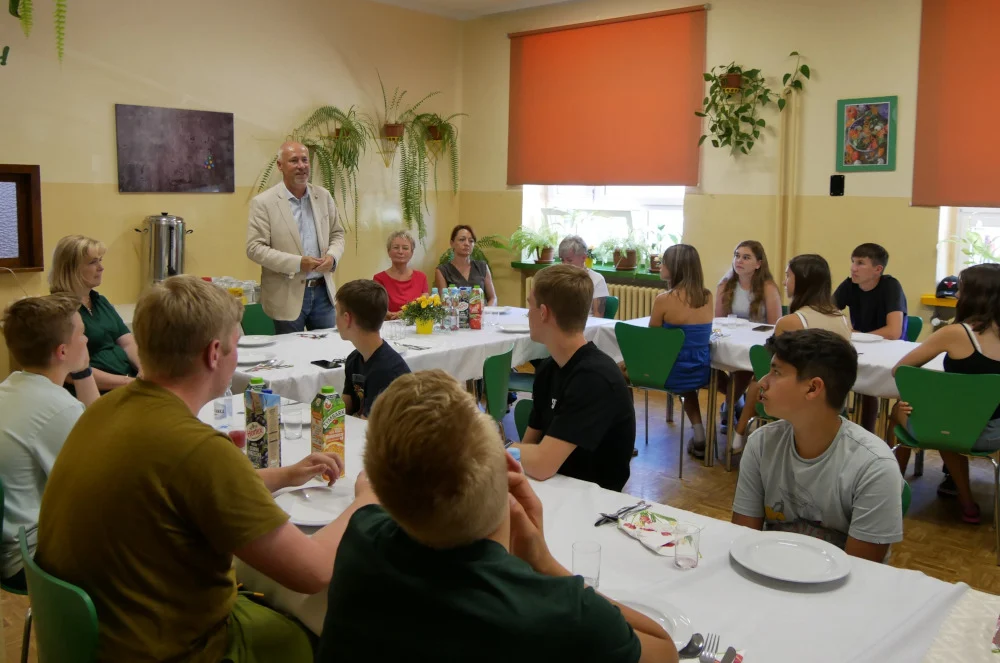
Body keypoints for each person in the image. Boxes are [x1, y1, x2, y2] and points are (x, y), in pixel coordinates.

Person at [37, 275, 376, 662]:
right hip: (172, 650)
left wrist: (284, 475)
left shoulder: (104, 410)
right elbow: (313, 572)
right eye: (236, 346)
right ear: (215, 353)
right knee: (322, 635)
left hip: (89, 638)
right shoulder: (198, 449)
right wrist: (366, 500)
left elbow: (180, 489)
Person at [316, 370, 679, 663]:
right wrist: (545, 564)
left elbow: (369, 502)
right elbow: (665, 650)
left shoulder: (362, 538)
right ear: (509, 465)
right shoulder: (564, 613)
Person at [731, 330, 903, 563]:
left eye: (776, 372)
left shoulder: (874, 466)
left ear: (813, 388)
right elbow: (743, 542)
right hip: (770, 569)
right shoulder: (760, 444)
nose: (763, 382)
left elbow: (861, 572)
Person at [0, 294, 99, 590]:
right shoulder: (59, 409)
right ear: (62, 351)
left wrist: (82, 370)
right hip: (29, 558)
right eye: (82, 334)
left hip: (10, 547)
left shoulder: (10, 388)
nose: (87, 340)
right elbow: (96, 488)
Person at [890, 263, 1000, 524]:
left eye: (961, 289)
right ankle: (967, 503)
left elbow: (900, 371)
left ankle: (893, 492)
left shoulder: (954, 333)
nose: (957, 295)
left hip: (954, 429)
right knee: (950, 428)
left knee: (900, 410)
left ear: (975, 295)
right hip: (994, 434)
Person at [512, 265, 636, 491]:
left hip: (592, 500)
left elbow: (541, 464)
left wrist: (486, 447)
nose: (527, 314)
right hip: (553, 487)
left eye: (529, 306)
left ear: (543, 312)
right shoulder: (549, 369)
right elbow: (527, 446)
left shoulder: (594, 378)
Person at [730, 254, 852, 452]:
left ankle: (739, 436)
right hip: (833, 401)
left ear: (802, 281)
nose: (784, 282)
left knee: (757, 380)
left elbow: (776, 367)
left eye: (788, 276)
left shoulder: (791, 322)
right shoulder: (843, 319)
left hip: (798, 398)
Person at [247, 140, 346, 333]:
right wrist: (298, 263)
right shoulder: (264, 203)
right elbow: (254, 248)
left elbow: (337, 234)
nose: (301, 166)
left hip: (323, 292)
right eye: (294, 161)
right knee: (291, 350)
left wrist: (333, 257)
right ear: (280, 165)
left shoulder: (323, 196)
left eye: (304, 160)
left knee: (328, 350)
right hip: (286, 295)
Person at [49, 234, 141, 391]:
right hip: (96, 391)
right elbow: (70, 371)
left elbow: (127, 341)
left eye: (100, 260)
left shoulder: (100, 301)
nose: (101, 267)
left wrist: (144, 369)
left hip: (129, 381)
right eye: (93, 262)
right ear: (71, 269)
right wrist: (128, 382)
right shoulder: (58, 311)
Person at [834, 242, 908, 433]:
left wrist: (856, 334)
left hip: (889, 351)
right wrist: (845, 326)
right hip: (861, 347)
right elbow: (827, 312)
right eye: (852, 262)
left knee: (870, 386)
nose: (853, 268)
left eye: (860, 263)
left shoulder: (891, 286)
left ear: (878, 269)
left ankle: (871, 432)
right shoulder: (850, 285)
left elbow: (894, 331)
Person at [648, 244, 713, 458]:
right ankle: (700, 433)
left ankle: (625, 435)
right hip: (699, 369)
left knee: (619, 372)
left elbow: (653, 340)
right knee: (687, 383)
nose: (660, 265)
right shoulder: (707, 296)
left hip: (671, 371)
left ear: (676, 268)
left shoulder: (664, 300)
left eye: (664, 262)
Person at [335, 279, 411, 419]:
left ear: (347, 319)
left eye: (337, 311)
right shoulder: (354, 359)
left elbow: (368, 427)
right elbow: (343, 409)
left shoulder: (386, 371)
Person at [716, 240, 782, 324]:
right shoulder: (724, 284)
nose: (739, 261)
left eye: (746, 257)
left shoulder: (768, 288)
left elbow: (775, 326)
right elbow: (719, 322)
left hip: (760, 332)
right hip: (732, 331)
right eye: (737, 256)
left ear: (758, 264)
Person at [434, 225, 498, 305]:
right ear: (452, 243)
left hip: (481, 312)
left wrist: (487, 311)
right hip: (455, 312)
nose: (467, 244)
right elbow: (444, 303)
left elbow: (493, 298)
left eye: (471, 241)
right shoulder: (442, 271)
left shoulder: (482, 267)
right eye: (462, 240)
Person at [372, 230, 429, 319]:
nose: (400, 251)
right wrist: (390, 315)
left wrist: (406, 313)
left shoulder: (421, 277)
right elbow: (377, 306)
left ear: (412, 253)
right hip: (389, 323)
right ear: (388, 252)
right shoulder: (379, 279)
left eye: (405, 248)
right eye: (396, 247)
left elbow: (425, 302)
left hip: (415, 324)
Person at [558, 235, 609, 317]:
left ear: (584, 258)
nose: (564, 264)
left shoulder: (597, 280)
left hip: (588, 324)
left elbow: (598, 317)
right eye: (562, 260)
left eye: (569, 260)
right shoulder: (557, 278)